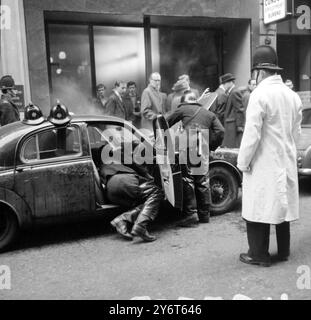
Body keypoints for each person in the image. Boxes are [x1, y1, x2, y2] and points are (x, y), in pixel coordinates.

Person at [237, 45, 302, 267]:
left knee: (258, 207)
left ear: (259, 72)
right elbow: (296, 133)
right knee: (281, 205)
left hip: (263, 162)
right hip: (285, 159)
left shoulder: (259, 95)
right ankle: (283, 251)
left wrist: (243, 162)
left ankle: (258, 254)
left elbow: (251, 135)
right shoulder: (293, 96)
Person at [166, 90, 224, 225]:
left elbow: (166, 122)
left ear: (185, 101)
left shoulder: (183, 109)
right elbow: (221, 131)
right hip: (202, 148)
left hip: (188, 146)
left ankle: (191, 214)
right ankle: (204, 216)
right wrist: (211, 146)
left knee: (188, 180)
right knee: (202, 181)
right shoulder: (208, 113)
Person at [102, 155, 164, 243]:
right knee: (156, 192)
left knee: (147, 202)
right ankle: (140, 226)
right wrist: (148, 176)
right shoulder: (118, 156)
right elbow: (135, 163)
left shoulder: (103, 166)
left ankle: (122, 220)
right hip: (124, 181)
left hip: (110, 191)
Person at [222, 81, 245, 148]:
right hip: (232, 122)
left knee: (233, 146)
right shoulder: (233, 91)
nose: (224, 86)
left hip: (233, 124)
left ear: (230, 82)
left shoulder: (234, 92)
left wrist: (239, 125)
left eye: (224, 83)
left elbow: (239, 109)